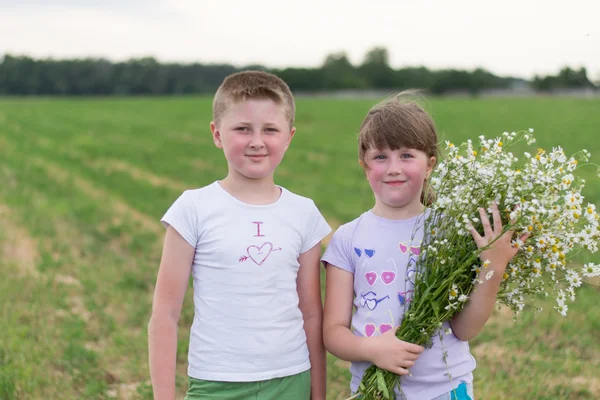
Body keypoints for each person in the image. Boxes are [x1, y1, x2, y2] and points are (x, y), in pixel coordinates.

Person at [322, 95, 524, 399]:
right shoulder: (348, 238)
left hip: (445, 389)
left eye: (406, 155)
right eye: (380, 157)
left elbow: (465, 329)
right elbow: (333, 332)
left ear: (429, 165)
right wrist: (371, 349)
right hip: (373, 392)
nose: (393, 168)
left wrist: (493, 267)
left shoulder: (453, 232)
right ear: (364, 166)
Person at [149, 71, 331, 400]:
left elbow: (312, 313)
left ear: (289, 137)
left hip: (291, 379)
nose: (257, 141)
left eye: (270, 130)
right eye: (243, 129)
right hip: (216, 382)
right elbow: (165, 314)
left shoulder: (304, 214)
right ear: (217, 134)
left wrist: (318, 394)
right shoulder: (193, 208)